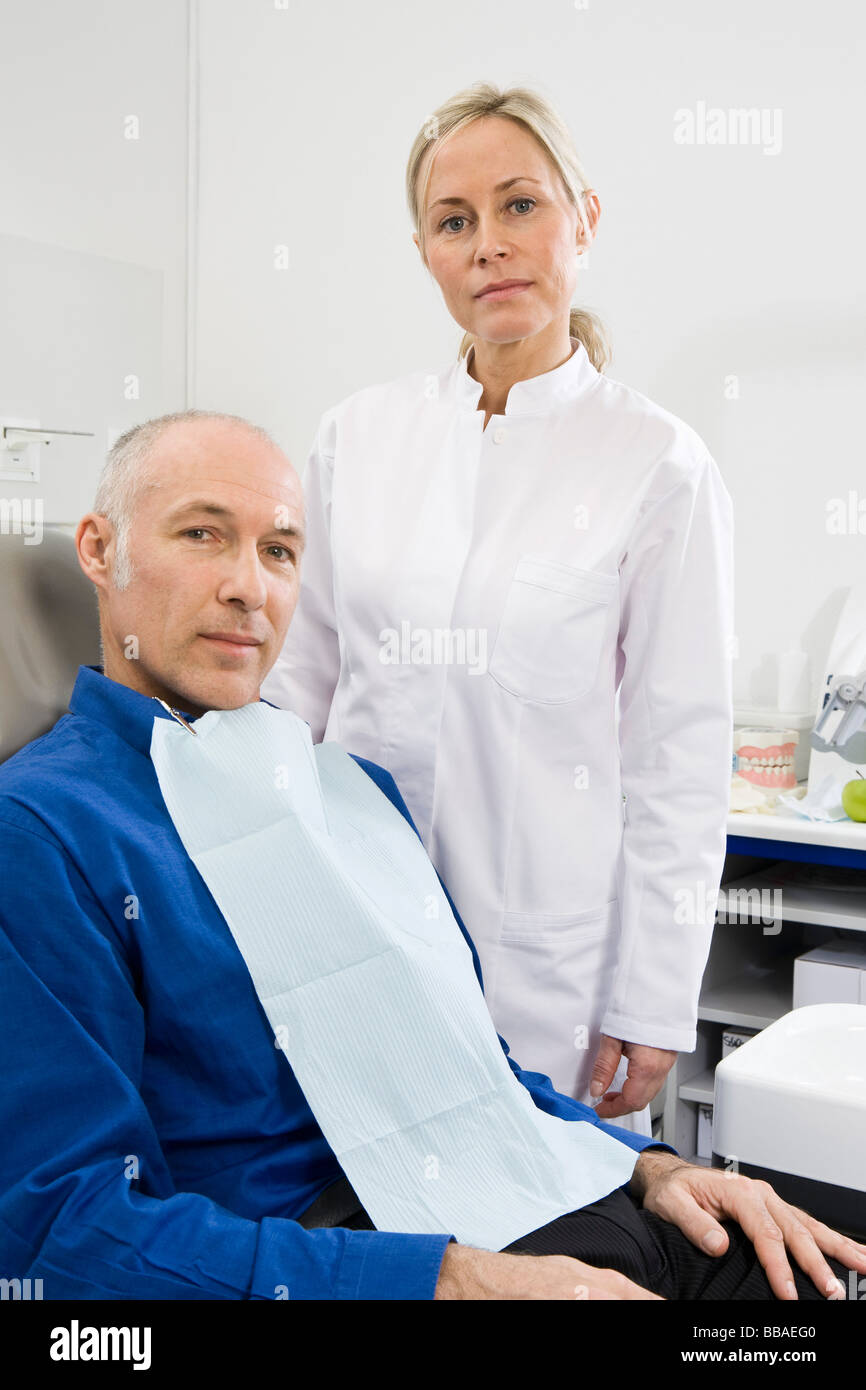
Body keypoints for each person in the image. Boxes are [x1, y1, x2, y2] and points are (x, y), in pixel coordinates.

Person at [0, 411, 861, 1302]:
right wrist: (452, 1282)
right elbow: (60, 1230)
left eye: (282, 552)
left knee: (820, 1277)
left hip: (556, 1198)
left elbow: (470, 1065)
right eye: (203, 534)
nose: (249, 588)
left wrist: (651, 1168)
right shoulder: (47, 832)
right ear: (99, 551)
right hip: (360, 1263)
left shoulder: (350, 792)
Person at [262, 82, 735, 1137]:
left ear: (583, 220)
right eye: (453, 220)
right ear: (426, 252)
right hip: (356, 938)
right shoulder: (358, 437)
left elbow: (678, 762)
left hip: (545, 974)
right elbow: (299, 684)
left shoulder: (656, 465)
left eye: (519, 205)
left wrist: (649, 998)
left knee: (534, 1240)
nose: (489, 245)